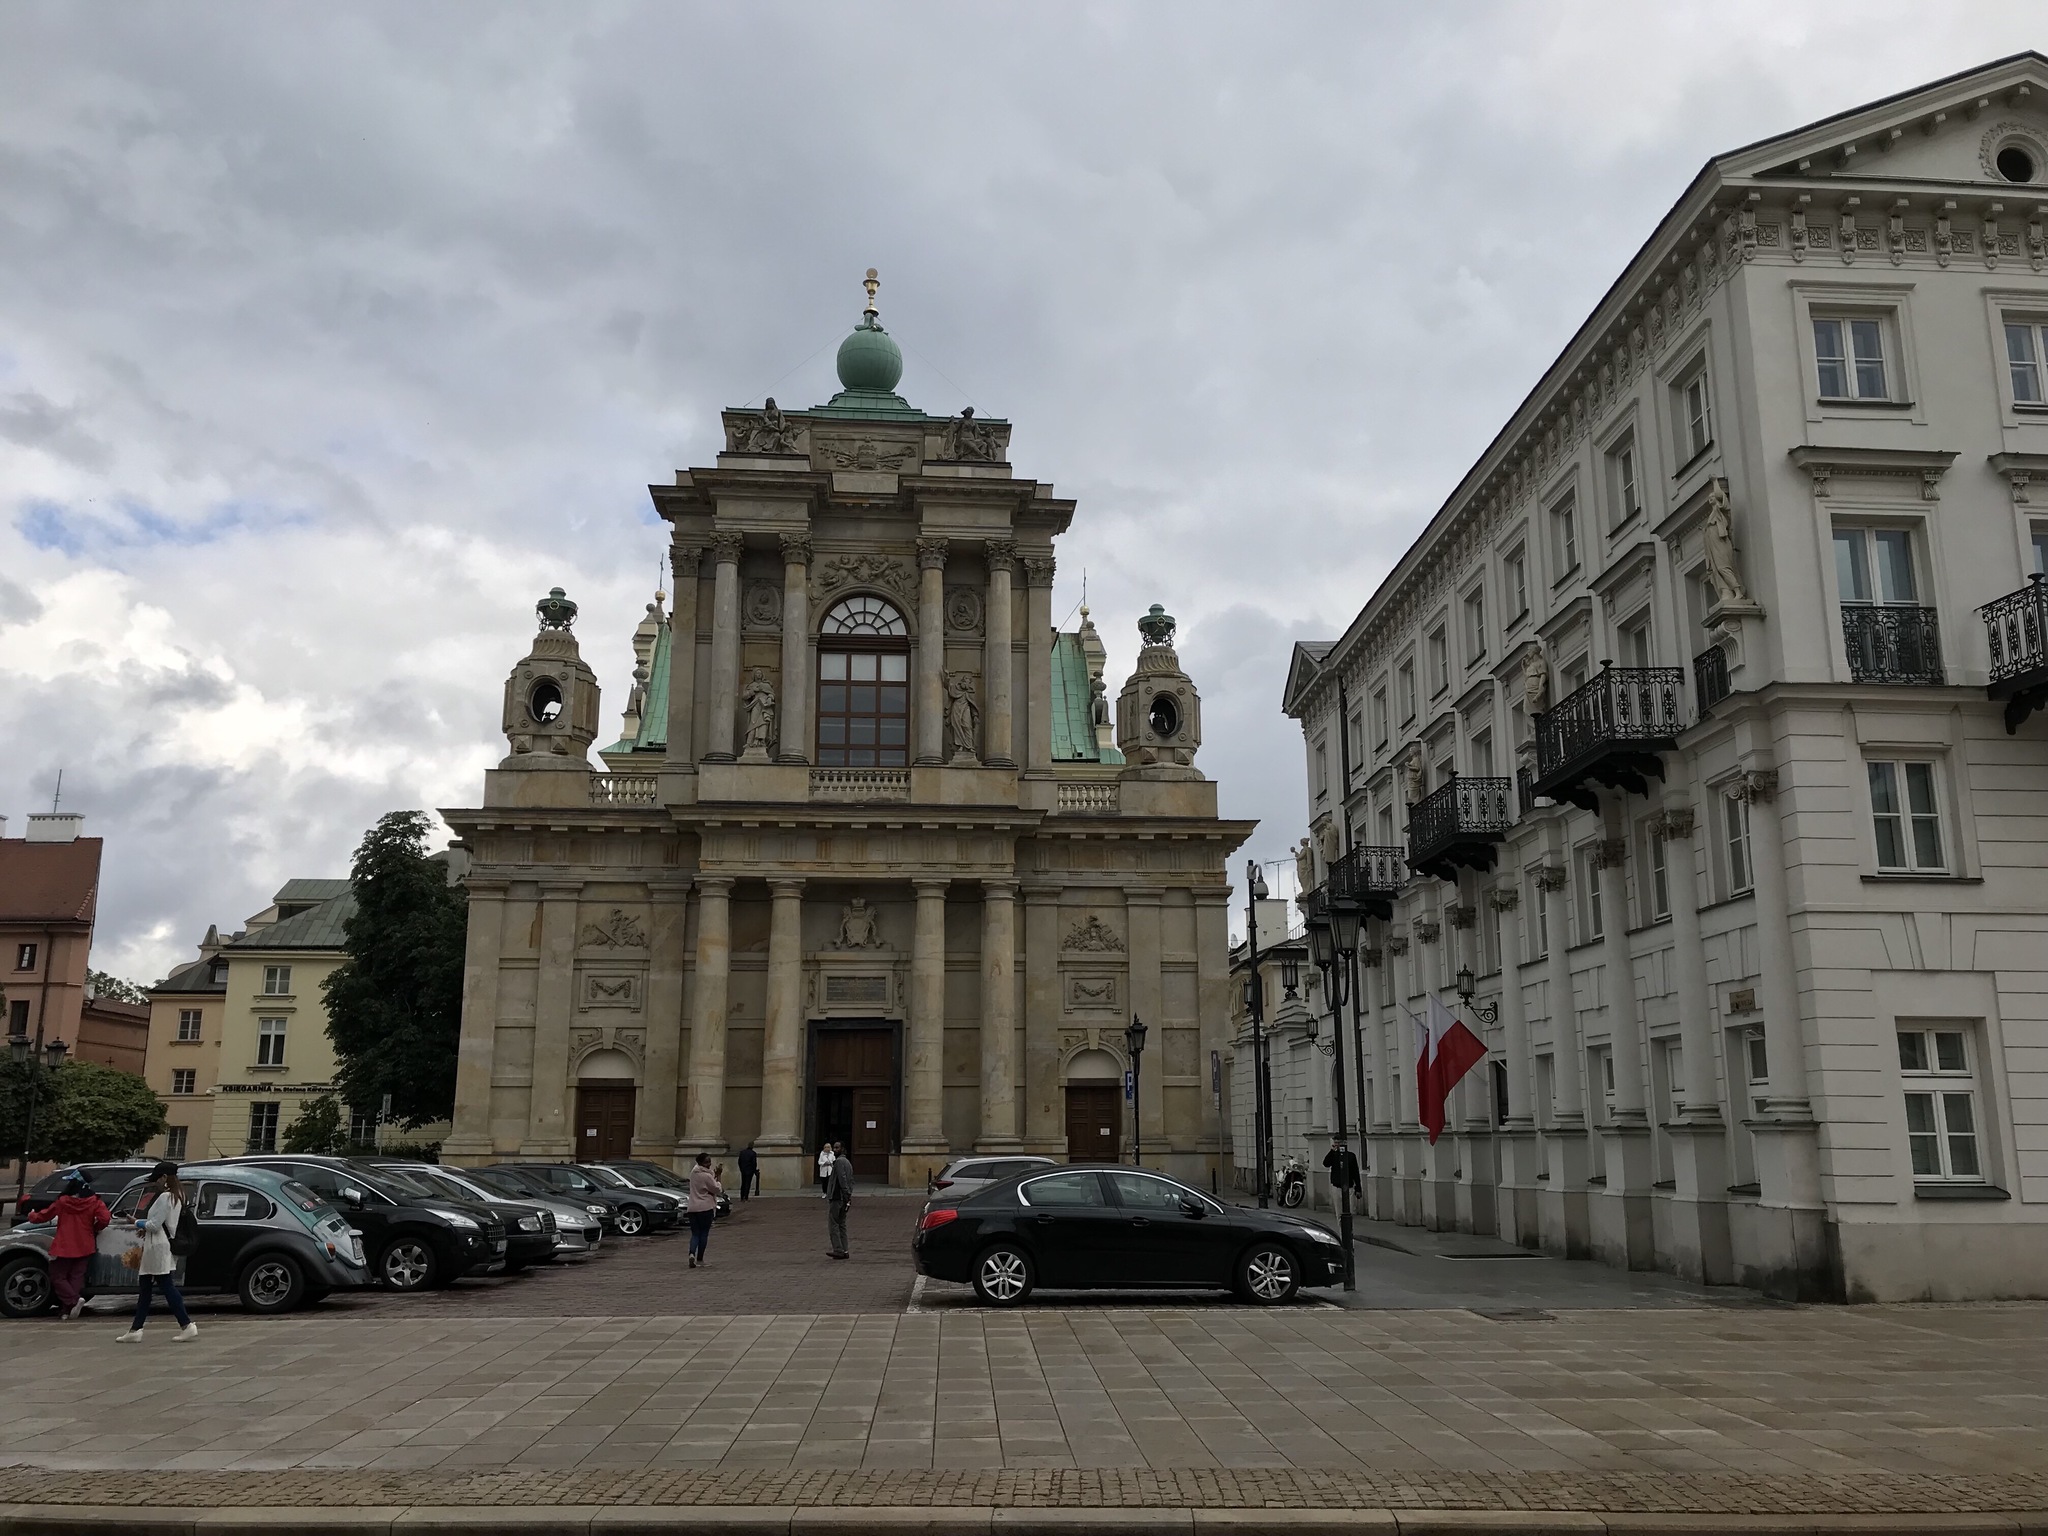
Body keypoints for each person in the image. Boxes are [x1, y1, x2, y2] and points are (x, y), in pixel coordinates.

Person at [119, 1161, 197, 1342]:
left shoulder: (165, 1197)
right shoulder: (178, 1195)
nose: (156, 1183)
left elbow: (154, 1225)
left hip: (158, 1246)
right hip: (161, 1244)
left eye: (157, 1179)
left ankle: (186, 1324)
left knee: (163, 1286)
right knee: (149, 1287)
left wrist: (136, 1222)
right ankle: (136, 1329)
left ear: (164, 1177)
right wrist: (145, 1226)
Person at [21, 1169, 110, 1320]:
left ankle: (73, 1301)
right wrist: (94, 1228)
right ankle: (67, 1310)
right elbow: (105, 1219)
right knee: (76, 1277)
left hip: (64, 1245)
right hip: (85, 1244)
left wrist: (31, 1215)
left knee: (58, 1276)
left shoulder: (63, 1202)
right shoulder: (95, 1201)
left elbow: (44, 1216)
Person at [685, 1152, 723, 1269]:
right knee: (704, 1233)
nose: (709, 1164)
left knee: (695, 1233)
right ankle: (700, 1259)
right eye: (706, 1162)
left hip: (692, 1207)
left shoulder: (694, 1173)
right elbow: (716, 1189)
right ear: (701, 1163)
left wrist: (714, 1175)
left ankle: (692, 1253)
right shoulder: (706, 1176)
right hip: (705, 1207)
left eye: (709, 1161)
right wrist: (719, 1176)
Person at [825, 1142, 854, 1260]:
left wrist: (846, 1193)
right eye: (834, 1147)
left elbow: (842, 1179)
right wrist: (848, 1195)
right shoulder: (848, 1163)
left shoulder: (839, 1162)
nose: (835, 1149)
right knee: (842, 1224)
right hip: (843, 1197)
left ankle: (838, 1249)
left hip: (837, 1197)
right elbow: (851, 1180)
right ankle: (845, 1249)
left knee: (834, 1224)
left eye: (837, 1147)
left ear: (842, 1149)